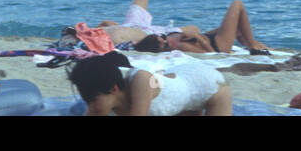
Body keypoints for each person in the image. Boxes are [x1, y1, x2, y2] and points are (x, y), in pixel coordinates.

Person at [99, 0, 271, 54]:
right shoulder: (179, 47)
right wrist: (199, 38)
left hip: (208, 37)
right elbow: (209, 51)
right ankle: (252, 45)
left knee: (237, 26)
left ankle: (245, 38)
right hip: (217, 44)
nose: (164, 40)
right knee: (237, 5)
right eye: (163, 43)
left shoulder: (167, 39)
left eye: (161, 38)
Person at [69, 52, 232, 116]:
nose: (90, 108)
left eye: (93, 101)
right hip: (180, 92)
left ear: (114, 89)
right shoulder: (102, 97)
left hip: (209, 85)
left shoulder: (140, 80)